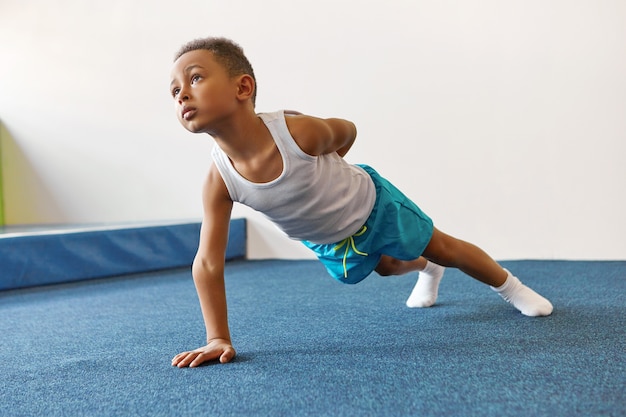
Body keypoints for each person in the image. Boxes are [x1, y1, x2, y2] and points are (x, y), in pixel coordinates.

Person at [169, 37, 553, 368]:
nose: (182, 93)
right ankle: (427, 268)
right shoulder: (220, 179)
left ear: (243, 87)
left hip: (372, 203)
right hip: (329, 240)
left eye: (196, 77)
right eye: (174, 91)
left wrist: (333, 165)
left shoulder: (298, 133)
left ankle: (512, 288)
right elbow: (206, 261)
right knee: (386, 268)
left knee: (443, 246)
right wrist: (217, 336)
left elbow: (347, 130)